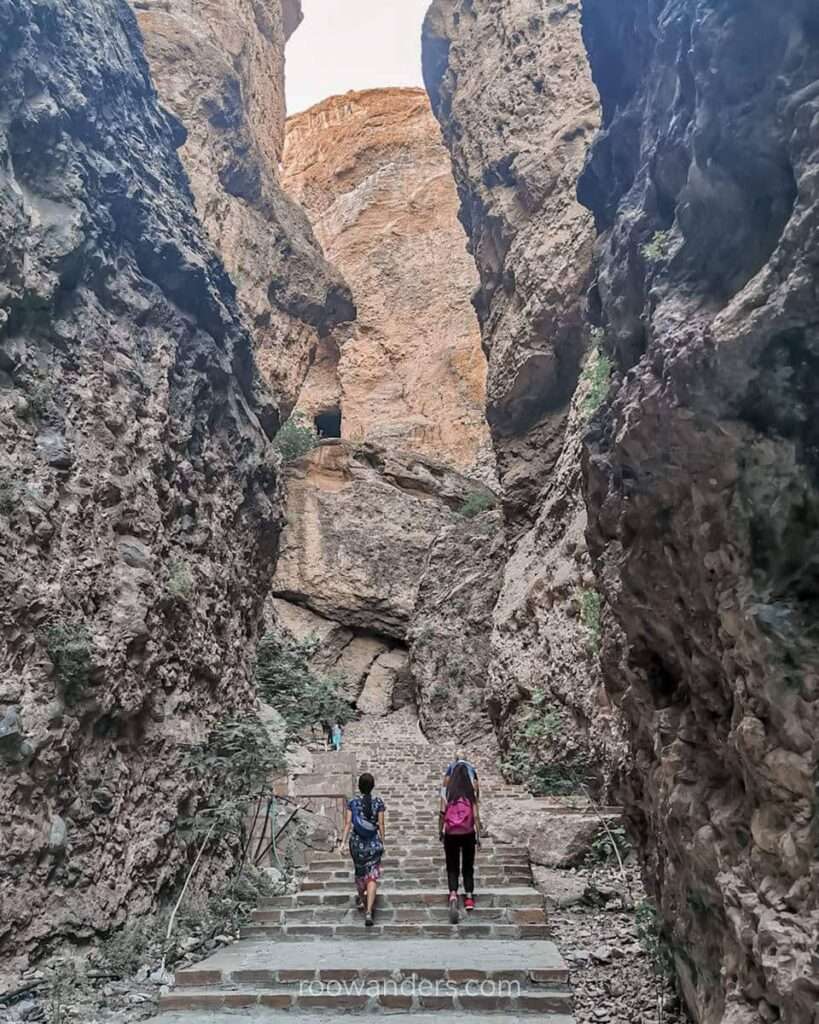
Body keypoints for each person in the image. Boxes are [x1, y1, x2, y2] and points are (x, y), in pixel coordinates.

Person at [339, 773, 385, 927]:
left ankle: (362, 898)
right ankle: (369, 911)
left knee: (360, 875)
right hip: (373, 843)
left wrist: (343, 843)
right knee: (372, 877)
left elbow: (347, 824)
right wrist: (383, 841)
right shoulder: (378, 802)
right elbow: (381, 825)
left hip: (357, 844)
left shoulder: (352, 802)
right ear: (373, 786)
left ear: (359, 786)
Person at [440, 761, 481, 923]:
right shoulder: (470, 794)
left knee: (452, 864)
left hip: (451, 833)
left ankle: (453, 894)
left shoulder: (446, 793)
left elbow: (442, 813)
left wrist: (440, 830)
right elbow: (476, 816)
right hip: (468, 832)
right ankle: (469, 897)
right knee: (468, 864)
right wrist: (478, 834)